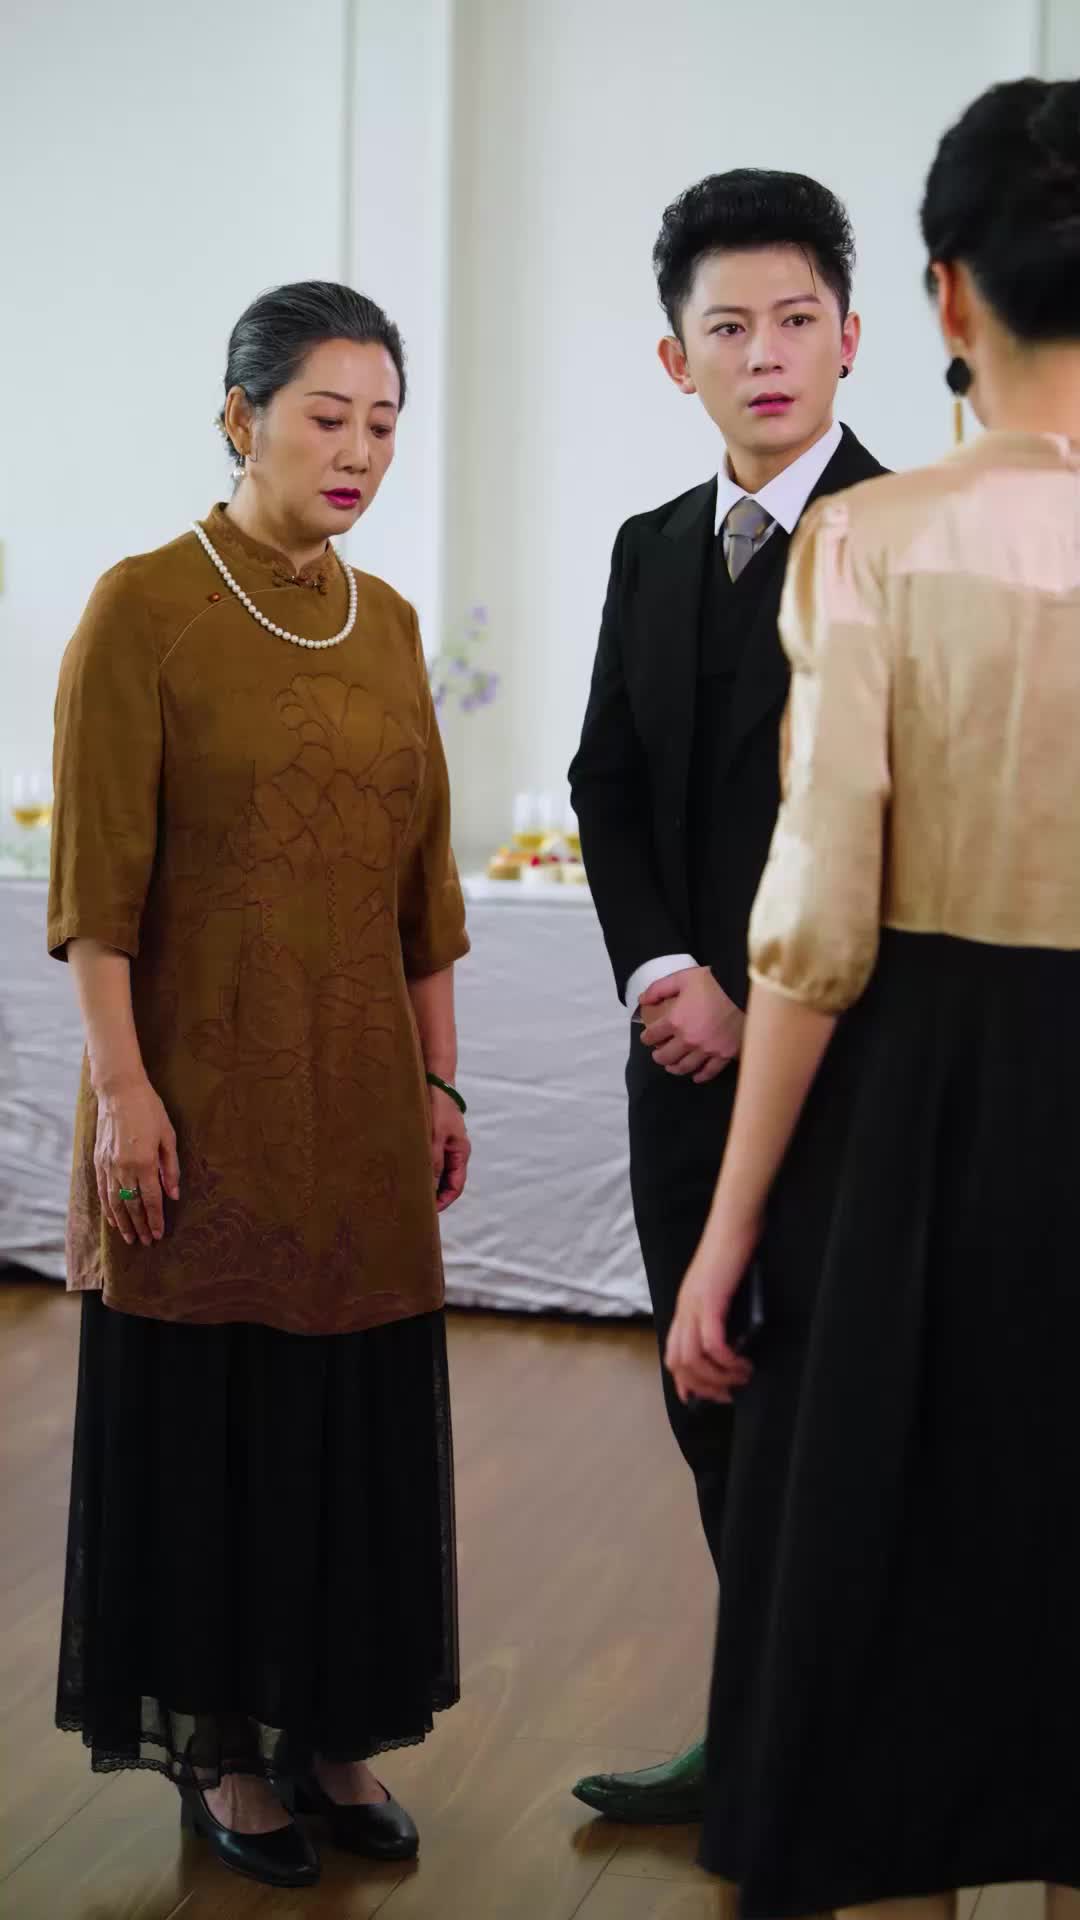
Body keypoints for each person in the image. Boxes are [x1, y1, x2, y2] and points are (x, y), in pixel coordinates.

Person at [666, 76, 1080, 1920]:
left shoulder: (875, 540)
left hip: (923, 1119)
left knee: (895, 1605)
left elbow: (816, 929)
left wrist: (727, 1227)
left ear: (943, 296)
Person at [49, 281, 471, 1890]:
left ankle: (336, 1731)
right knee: (212, 1419)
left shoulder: (392, 623)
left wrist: (442, 1085)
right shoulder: (143, 606)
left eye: (384, 425)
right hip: (194, 1091)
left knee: (349, 1416)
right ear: (240, 417)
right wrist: (125, 1093)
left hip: (358, 1094)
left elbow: (426, 892)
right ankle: (225, 1752)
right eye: (327, 417)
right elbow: (97, 890)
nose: (359, 452)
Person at [568, 170, 886, 1823]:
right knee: (709, 1391)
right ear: (675, 359)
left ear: (853, 337)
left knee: (844, 1409)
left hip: (857, 1069)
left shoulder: (912, 539)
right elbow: (605, 784)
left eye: (795, 320)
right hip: (678, 1063)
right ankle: (758, 1727)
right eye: (729, 327)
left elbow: (929, 827)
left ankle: (838, 1755)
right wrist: (662, 974)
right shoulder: (647, 549)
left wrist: (765, 1008)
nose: (766, 354)